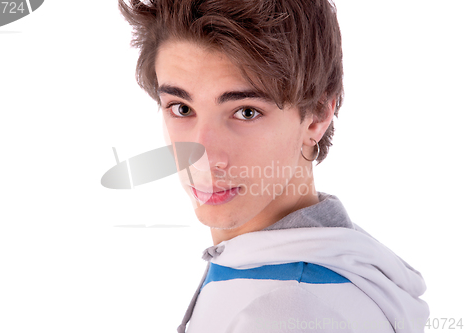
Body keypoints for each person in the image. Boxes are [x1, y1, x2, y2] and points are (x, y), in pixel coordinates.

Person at [118, 0, 429, 332]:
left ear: (318, 116)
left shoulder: (279, 313)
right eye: (181, 108)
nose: (204, 159)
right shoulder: (299, 267)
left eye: (246, 111)